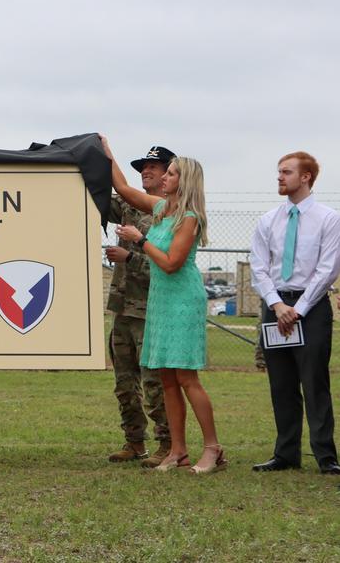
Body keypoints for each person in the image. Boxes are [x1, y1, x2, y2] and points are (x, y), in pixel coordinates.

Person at [102, 136, 227, 474]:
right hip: (160, 299)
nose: (164, 178)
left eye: (170, 173)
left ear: (182, 180)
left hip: (181, 300)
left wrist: (139, 240)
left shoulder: (189, 217)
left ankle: (213, 449)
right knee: (168, 379)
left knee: (187, 378)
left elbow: (172, 263)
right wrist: (107, 153)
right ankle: (178, 451)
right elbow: (126, 191)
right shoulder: (160, 209)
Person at [249, 152, 340, 474]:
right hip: (275, 306)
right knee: (281, 383)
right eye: (278, 172)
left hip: (311, 308)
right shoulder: (268, 221)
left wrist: (298, 310)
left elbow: (327, 269)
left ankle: (325, 456)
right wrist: (276, 305)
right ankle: (286, 454)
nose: (279, 177)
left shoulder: (329, 219)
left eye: (286, 172)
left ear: (306, 177)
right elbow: (259, 268)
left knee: (314, 382)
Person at [105, 146, 174, 467]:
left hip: (151, 310)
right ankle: (134, 442)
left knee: (154, 382)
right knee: (124, 383)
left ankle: (169, 443)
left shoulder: (170, 214)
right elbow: (100, 195)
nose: (146, 171)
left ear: (169, 174)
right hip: (123, 308)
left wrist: (130, 256)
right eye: (143, 167)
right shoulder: (130, 208)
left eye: (154, 167)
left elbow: (170, 267)